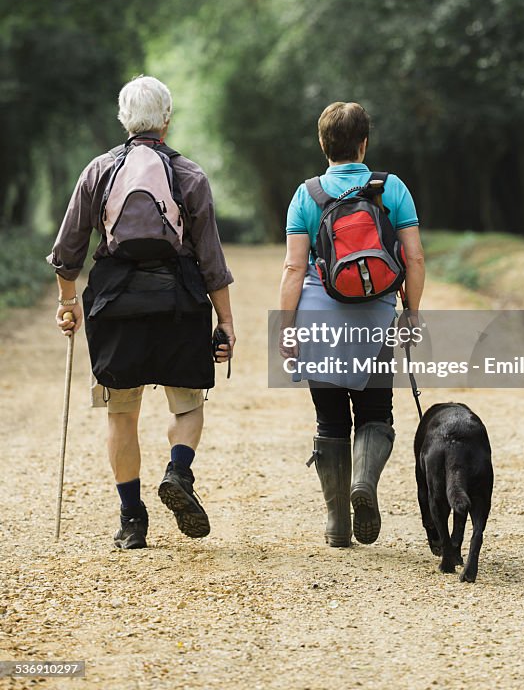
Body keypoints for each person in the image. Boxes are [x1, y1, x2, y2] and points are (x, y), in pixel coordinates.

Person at [48, 76, 236, 550]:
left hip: (116, 306)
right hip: (179, 303)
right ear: (167, 120)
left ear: (123, 118)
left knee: (121, 415)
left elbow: (68, 250)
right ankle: (178, 471)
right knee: (189, 405)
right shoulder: (189, 175)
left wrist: (68, 302)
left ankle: (132, 520)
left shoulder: (98, 172)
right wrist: (226, 322)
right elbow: (211, 261)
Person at [280, 101, 425, 547]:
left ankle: (336, 523)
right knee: (376, 412)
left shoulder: (306, 194)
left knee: (329, 419)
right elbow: (415, 257)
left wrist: (286, 329)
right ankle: (365, 481)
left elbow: (292, 268)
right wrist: (412, 314)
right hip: (377, 316)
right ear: (364, 143)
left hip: (318, 317)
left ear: (323, 145)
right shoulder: (390, 187)